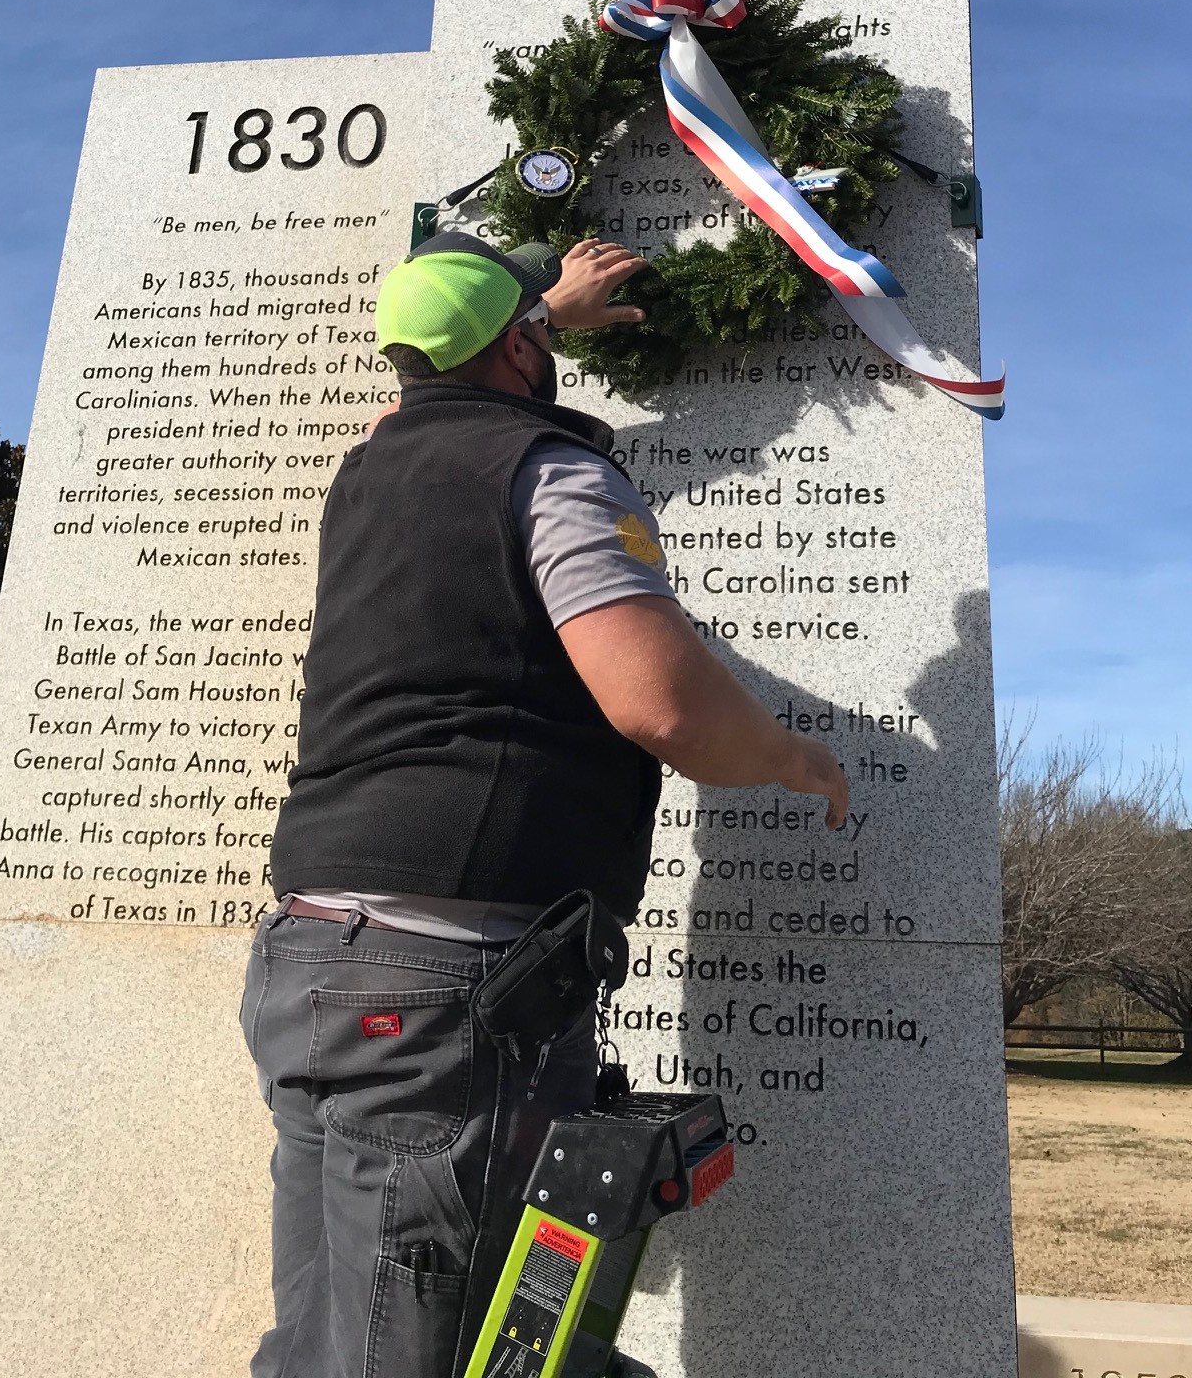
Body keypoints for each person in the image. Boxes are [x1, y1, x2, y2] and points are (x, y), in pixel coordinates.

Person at [241, 229, 848, 1378]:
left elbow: (430, 399)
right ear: (518, 351)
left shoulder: (370, 470)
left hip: (315, 958)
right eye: (531, 333)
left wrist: (537, 317)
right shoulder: (550, 469)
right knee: (423, 1345)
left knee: (330, 1334)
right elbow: (661, 701)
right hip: (449, 983)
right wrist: (786, 757)